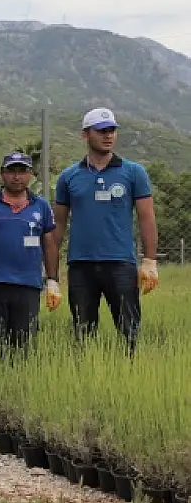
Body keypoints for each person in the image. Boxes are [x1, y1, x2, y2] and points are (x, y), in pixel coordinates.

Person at [52, 108, 159, 353]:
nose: (108, 135)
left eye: (111, 130)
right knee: (83, 331)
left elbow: (146, 217)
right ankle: (85, 376)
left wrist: (150, 260)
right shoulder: (69, 177)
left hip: (121, 264)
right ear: (85, 135)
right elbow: (58, 224)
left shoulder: (133, 172)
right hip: (81, 265)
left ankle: (130, 374)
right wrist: (51, 272)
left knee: (128, 330)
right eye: (101, 131)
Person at [0, 152, 60, 350]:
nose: (16, 177)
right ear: (2, 174)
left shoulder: (41, 206)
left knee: (23, 347)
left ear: (31, 174)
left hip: (28, 285)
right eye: (11, 171)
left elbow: (50, 242)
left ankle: (20, 380)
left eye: (22, 171)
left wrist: (52, 281)